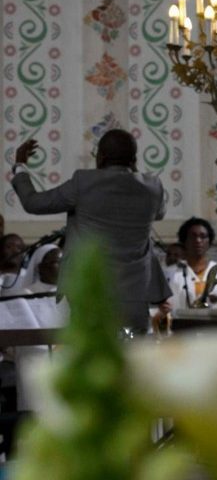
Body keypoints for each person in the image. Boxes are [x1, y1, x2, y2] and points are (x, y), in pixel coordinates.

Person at [11, 131, 167, 334]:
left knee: (92, 360)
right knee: (132, 360)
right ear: (134, 159)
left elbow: (34, 203)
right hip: (135, 295)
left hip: (91, 294)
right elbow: (160, 214)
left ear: (100, 157)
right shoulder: (153, 187)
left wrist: (20, 167)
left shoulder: (84, 182)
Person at [167, 217, 217, 308]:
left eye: (203, 236)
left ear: (209, 241)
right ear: (184, 240)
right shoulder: (171, 273)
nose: (198, 240)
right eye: (193, 236)